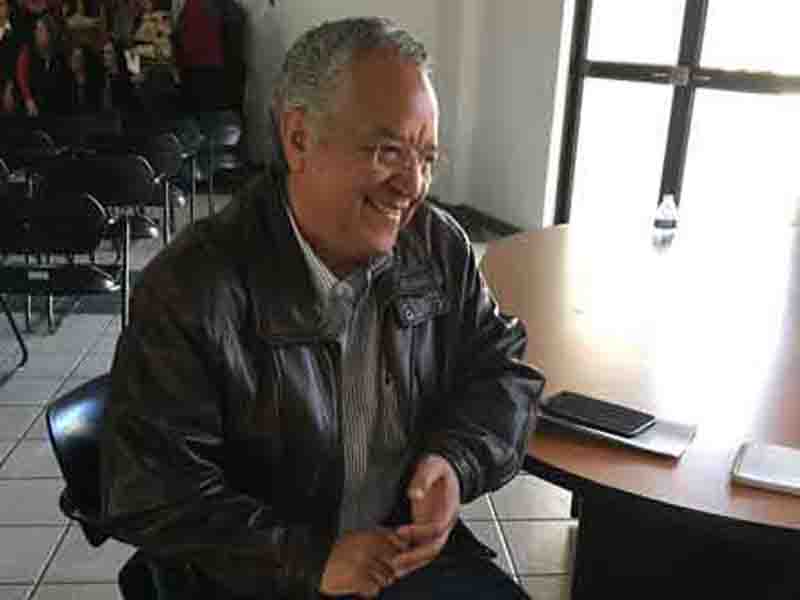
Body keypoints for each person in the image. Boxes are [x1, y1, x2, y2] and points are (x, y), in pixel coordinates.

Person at [101, 16, 544, 600]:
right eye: (388, 151)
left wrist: (454, 462)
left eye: (426, 158)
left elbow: (501, 370)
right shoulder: (191, 288)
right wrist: (311, 561)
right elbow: (152, 494)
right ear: (299, 139)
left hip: (399, 555)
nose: (412, 185)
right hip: (257, 580)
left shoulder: (436, 246)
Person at [15, 12, 69, 115]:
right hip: (30, 110)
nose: (36, 33)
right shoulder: (28, 52)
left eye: (41, 30)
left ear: (50, 34)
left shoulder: (59, 58)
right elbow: (21, 77)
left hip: (55, 112)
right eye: (36, 29)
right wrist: (28, 99)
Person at [0, 0, 20, 113]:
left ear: (9, 8)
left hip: (9, 85)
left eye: (1, 4)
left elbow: (17, 63)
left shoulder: (17, 32)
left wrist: (9, 86)